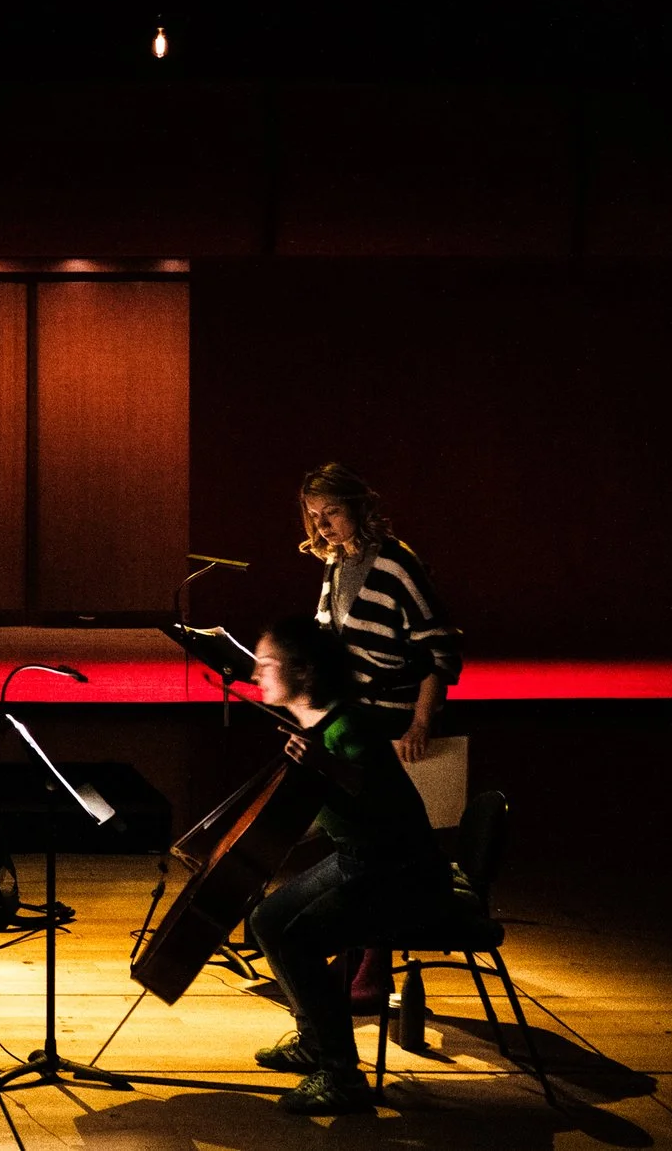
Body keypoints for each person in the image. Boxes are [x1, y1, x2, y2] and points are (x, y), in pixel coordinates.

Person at [245, 616, 453, 1116]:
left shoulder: (348, 726)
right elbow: (326, 815)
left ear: (305, 671)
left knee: (297, 940)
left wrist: (323, 766)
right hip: (360, 861)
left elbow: (368, 792)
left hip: (401, 874)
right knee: (267, 919)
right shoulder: (319, 728)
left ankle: (342, 1076)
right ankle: (315, 1042)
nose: (255, 674)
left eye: (266, 664)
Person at [297, 464, 463, 763]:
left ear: (357, 506)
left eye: (332, 511)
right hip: (356, 715)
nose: (322, 524)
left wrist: (420, 724)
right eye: (314, 515)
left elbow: (441, 649)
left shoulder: (395, 563)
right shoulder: (336, 560)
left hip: (396, 722)